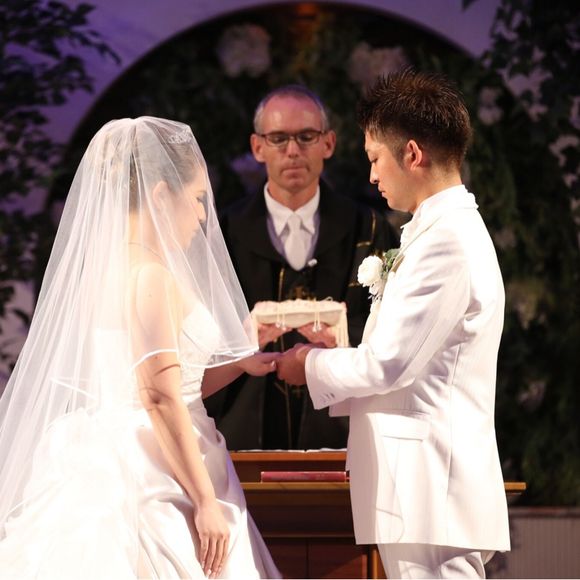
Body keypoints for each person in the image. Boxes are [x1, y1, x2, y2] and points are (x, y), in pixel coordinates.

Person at [0, 117, 281, 579]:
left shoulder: (107, 272)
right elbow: (158, 396)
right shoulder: (151, 275)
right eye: (197, 198)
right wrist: (205, 500)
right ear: (161, 196)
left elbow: (170, 382)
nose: (201, 216)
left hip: (121, 441)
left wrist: (241, 362)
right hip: (154, 464)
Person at [276, 70, 511, 578]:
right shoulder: (436, 230)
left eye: (375, 158)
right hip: (422, 491)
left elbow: (388, 365)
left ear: (412, 154)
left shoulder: (446, 239)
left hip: (432, 486)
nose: (371, 176)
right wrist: (336, 353)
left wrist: (309, 364)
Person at [206, 85, 398, 450]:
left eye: (306, 137)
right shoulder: (224, 232)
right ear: (257, 147)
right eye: (278, 138)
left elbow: (393, 329)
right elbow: (203, 333)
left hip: (342, 432)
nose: (293, 151)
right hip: (244, 428)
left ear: (328, 143)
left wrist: (339, 334)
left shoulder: (368, 227)